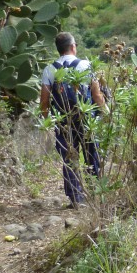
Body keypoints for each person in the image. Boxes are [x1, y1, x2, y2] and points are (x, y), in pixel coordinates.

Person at [39, 32, 105, 207]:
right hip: (86, 118)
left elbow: (44, 101)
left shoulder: (49, 69)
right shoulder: (86, 65)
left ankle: (76, 198)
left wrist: (47, 121)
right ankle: (96, 194)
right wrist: (106, 112)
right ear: (73, 46)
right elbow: (96, 95)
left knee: (69, 158)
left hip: (63, 121)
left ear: (58, 49)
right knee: (92, 154)